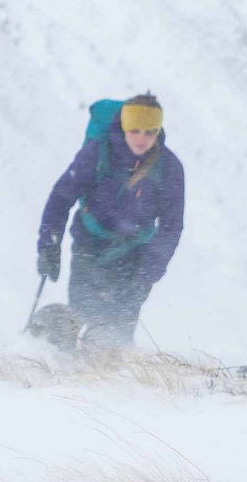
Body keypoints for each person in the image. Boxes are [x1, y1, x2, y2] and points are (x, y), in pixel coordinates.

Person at [35, 93, 184, 349]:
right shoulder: (97, 153)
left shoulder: (168, 167)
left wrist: (148, 273)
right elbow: (62, 196)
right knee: (82, 318)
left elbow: (171, 226)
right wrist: (49, 245)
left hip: (134, 256)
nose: (141, 138)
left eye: (149, 132)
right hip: (89, 248)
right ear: (124, 126)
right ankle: (71, 373)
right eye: (135, 130)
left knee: (117, 334)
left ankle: (108, 379)